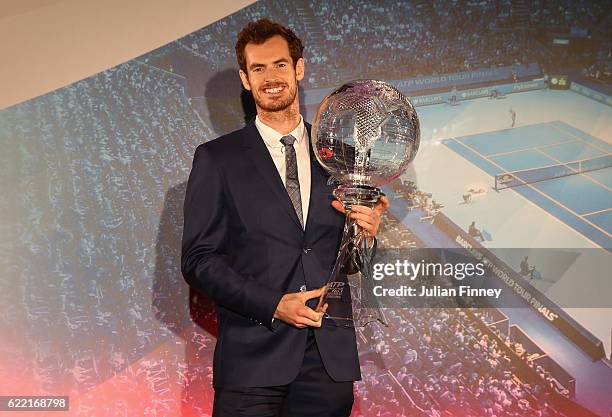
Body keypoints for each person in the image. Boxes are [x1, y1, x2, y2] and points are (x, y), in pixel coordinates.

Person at [181, 19, 389, 417]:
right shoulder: (217, 159)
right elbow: (199, 260)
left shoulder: (340, 158)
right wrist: (274, 304)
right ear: (245, 79)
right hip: (252, 364)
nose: (270, 77)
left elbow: (352, 262)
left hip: (327, 365)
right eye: (258, 69)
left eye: (279, 65)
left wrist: (366, 236)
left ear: (299, 69)